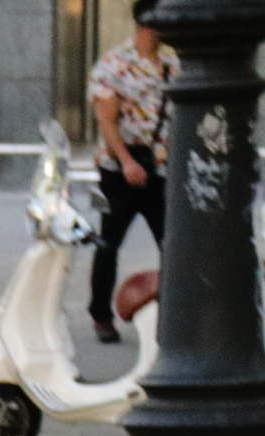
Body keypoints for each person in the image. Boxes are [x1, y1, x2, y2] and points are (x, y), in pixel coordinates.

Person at [87, 0, 176, 344]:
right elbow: (106, 121)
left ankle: (172, 312)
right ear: (147, 22)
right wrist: (125, 161)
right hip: (119, 171)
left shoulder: (172, 62)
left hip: (159, 167)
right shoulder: (114, 64)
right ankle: (101, 314)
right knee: (109, 242)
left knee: (172, 243)